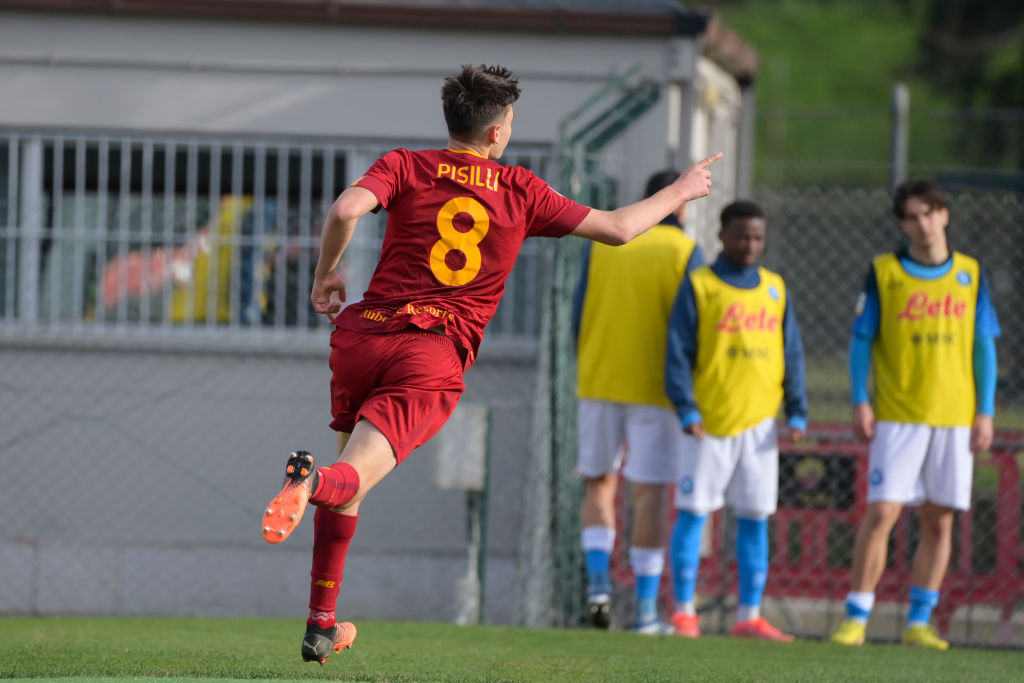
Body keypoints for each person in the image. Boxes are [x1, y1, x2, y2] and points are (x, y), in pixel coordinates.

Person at [260, 63, 723, 664]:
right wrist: (681, 190)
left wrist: (326, 275)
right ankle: (309, 481)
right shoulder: (522, 190)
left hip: (362, 335)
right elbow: (617, 229)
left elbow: (347, 210)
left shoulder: (405, 164)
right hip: (431, 350)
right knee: (341, 481)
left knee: (353, 483)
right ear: (498, 133)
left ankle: (321, 623)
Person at [830, 179, 1000, 651]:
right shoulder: (884, 272)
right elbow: (862, 339)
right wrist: (859, 398)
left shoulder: (969, 273)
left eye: (929, 212)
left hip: (953, 416)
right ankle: (856, 618)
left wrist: (984, 412)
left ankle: (920, 622)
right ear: (902, 223)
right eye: (911, 216)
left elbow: (983, 345)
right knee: (882, 512)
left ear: (944, 215)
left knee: (939, 520)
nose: (922, 224)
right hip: (898, 414)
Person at [665, 200, 807, 641]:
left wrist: (797, 409)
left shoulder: (775, 288)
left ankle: (749, 615)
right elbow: (677, 352)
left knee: (755, 517)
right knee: (692, 514)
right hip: (708, 424)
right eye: (742, 235)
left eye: (758, 237)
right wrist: (686, 407)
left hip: (760, 427)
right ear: (723, 235)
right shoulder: (700, 285)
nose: (751, 245)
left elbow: (793, 353)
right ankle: (684, 612)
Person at [572, 169, 703, 634]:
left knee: (598, 485)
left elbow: (577, 313)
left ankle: (598, 588)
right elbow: (695, 325)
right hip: (656, 389)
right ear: (678, 204)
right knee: (649, 495)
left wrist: (587, 361)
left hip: (598, 377)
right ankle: (646, 613)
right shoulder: (685, 250)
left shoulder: (603, 243)